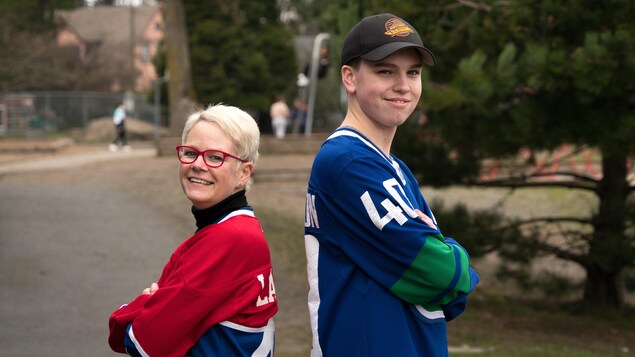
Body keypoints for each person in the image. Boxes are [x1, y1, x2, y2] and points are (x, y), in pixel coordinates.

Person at [303, 13, 479, 356]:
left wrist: (444, 261)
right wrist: (456, 257)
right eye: (386, 71)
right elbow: (442, 275)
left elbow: (448, 294)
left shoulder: (391, 165)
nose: (403, 85)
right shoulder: (348, 162)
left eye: (412, 72)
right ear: (350, 78)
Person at [108, 104, 278, 356]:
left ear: (244, 173)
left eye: (215, 157)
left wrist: (146, 303)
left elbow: (138, 340)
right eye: (190, 153)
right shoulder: (238, 228)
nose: (198, 164)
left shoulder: (229, 238)